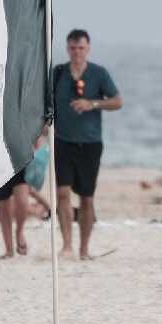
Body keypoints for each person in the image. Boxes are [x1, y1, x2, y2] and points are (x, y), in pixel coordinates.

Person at [53, 29, 123, 260]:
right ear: (67, 49)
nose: (77, 52)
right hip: (62, 140)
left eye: (81, 48)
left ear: (88, 49)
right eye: (73, 48)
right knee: (62, 193)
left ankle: (84, 249)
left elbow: (117, 101)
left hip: (91, 143)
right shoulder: (58, 73)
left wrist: (92, 104)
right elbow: (44, 103)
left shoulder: (99, 73)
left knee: (86, 198)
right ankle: (67, 245)